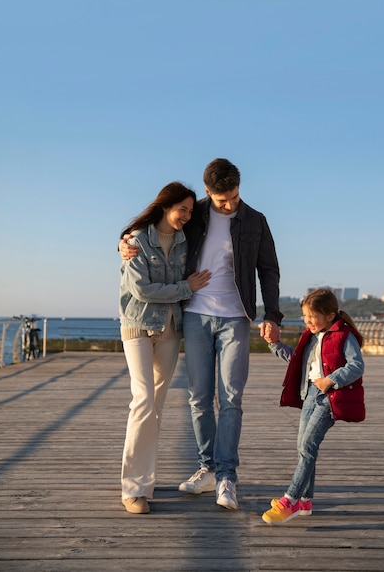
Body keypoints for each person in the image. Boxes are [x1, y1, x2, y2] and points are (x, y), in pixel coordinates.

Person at [120, 159, 283, 511]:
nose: (230, 205)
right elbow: (156, 231)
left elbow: (268, 271)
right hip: (192, 315)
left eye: (235, 197)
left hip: (236, 318)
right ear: (208, 192)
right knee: (198, 398)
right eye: (223, 200)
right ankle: (207, 468)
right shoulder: (194, 216)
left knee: (231, 398)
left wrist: (272, 315)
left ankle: (227, 476)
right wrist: (123, 243)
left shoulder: (255, 221)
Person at [119, 182, 211, 514]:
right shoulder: (136, 240)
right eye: (181, 209)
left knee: (155, 405)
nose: (186, 216)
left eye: (190, 210)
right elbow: (142, 290)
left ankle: (145, 482)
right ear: (164, 206)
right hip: (138, 325)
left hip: (171, 330)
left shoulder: (189, 239)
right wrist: (185, 287)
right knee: (142, 400)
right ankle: (132, 489)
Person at [260, 288, 365, 525]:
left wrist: (331, 380)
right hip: (309, 394)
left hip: (329, 397)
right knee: (303, 447)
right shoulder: (311, 335)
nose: (308, 322)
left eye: (313, 317)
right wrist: (275, 344)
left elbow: (357, 365)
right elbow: (296, 358)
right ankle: (305, 502)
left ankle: (290, 500)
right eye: (306, 317)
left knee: (308, 446)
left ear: (330, 315)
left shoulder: (343, 335)